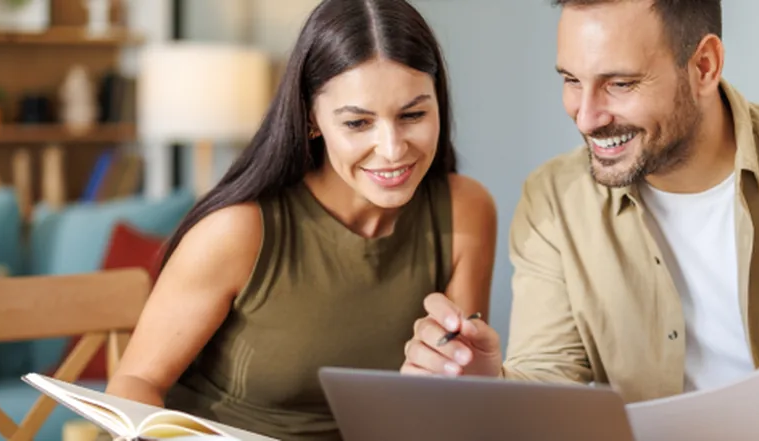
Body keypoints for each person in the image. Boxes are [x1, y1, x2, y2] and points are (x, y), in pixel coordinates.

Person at [400, 0, 759, 439]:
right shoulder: (554, 202)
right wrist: (490, 384)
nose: (585, 116)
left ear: (705, 66)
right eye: (571, 82)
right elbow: (550, 383)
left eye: (620, 84)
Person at [105, 1, 497, 440]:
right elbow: (134, 384)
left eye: (412, 115)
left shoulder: (466, 210)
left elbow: (453, 402)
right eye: (357, 122)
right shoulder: (238, 231)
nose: (391, 148)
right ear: (313, 118)